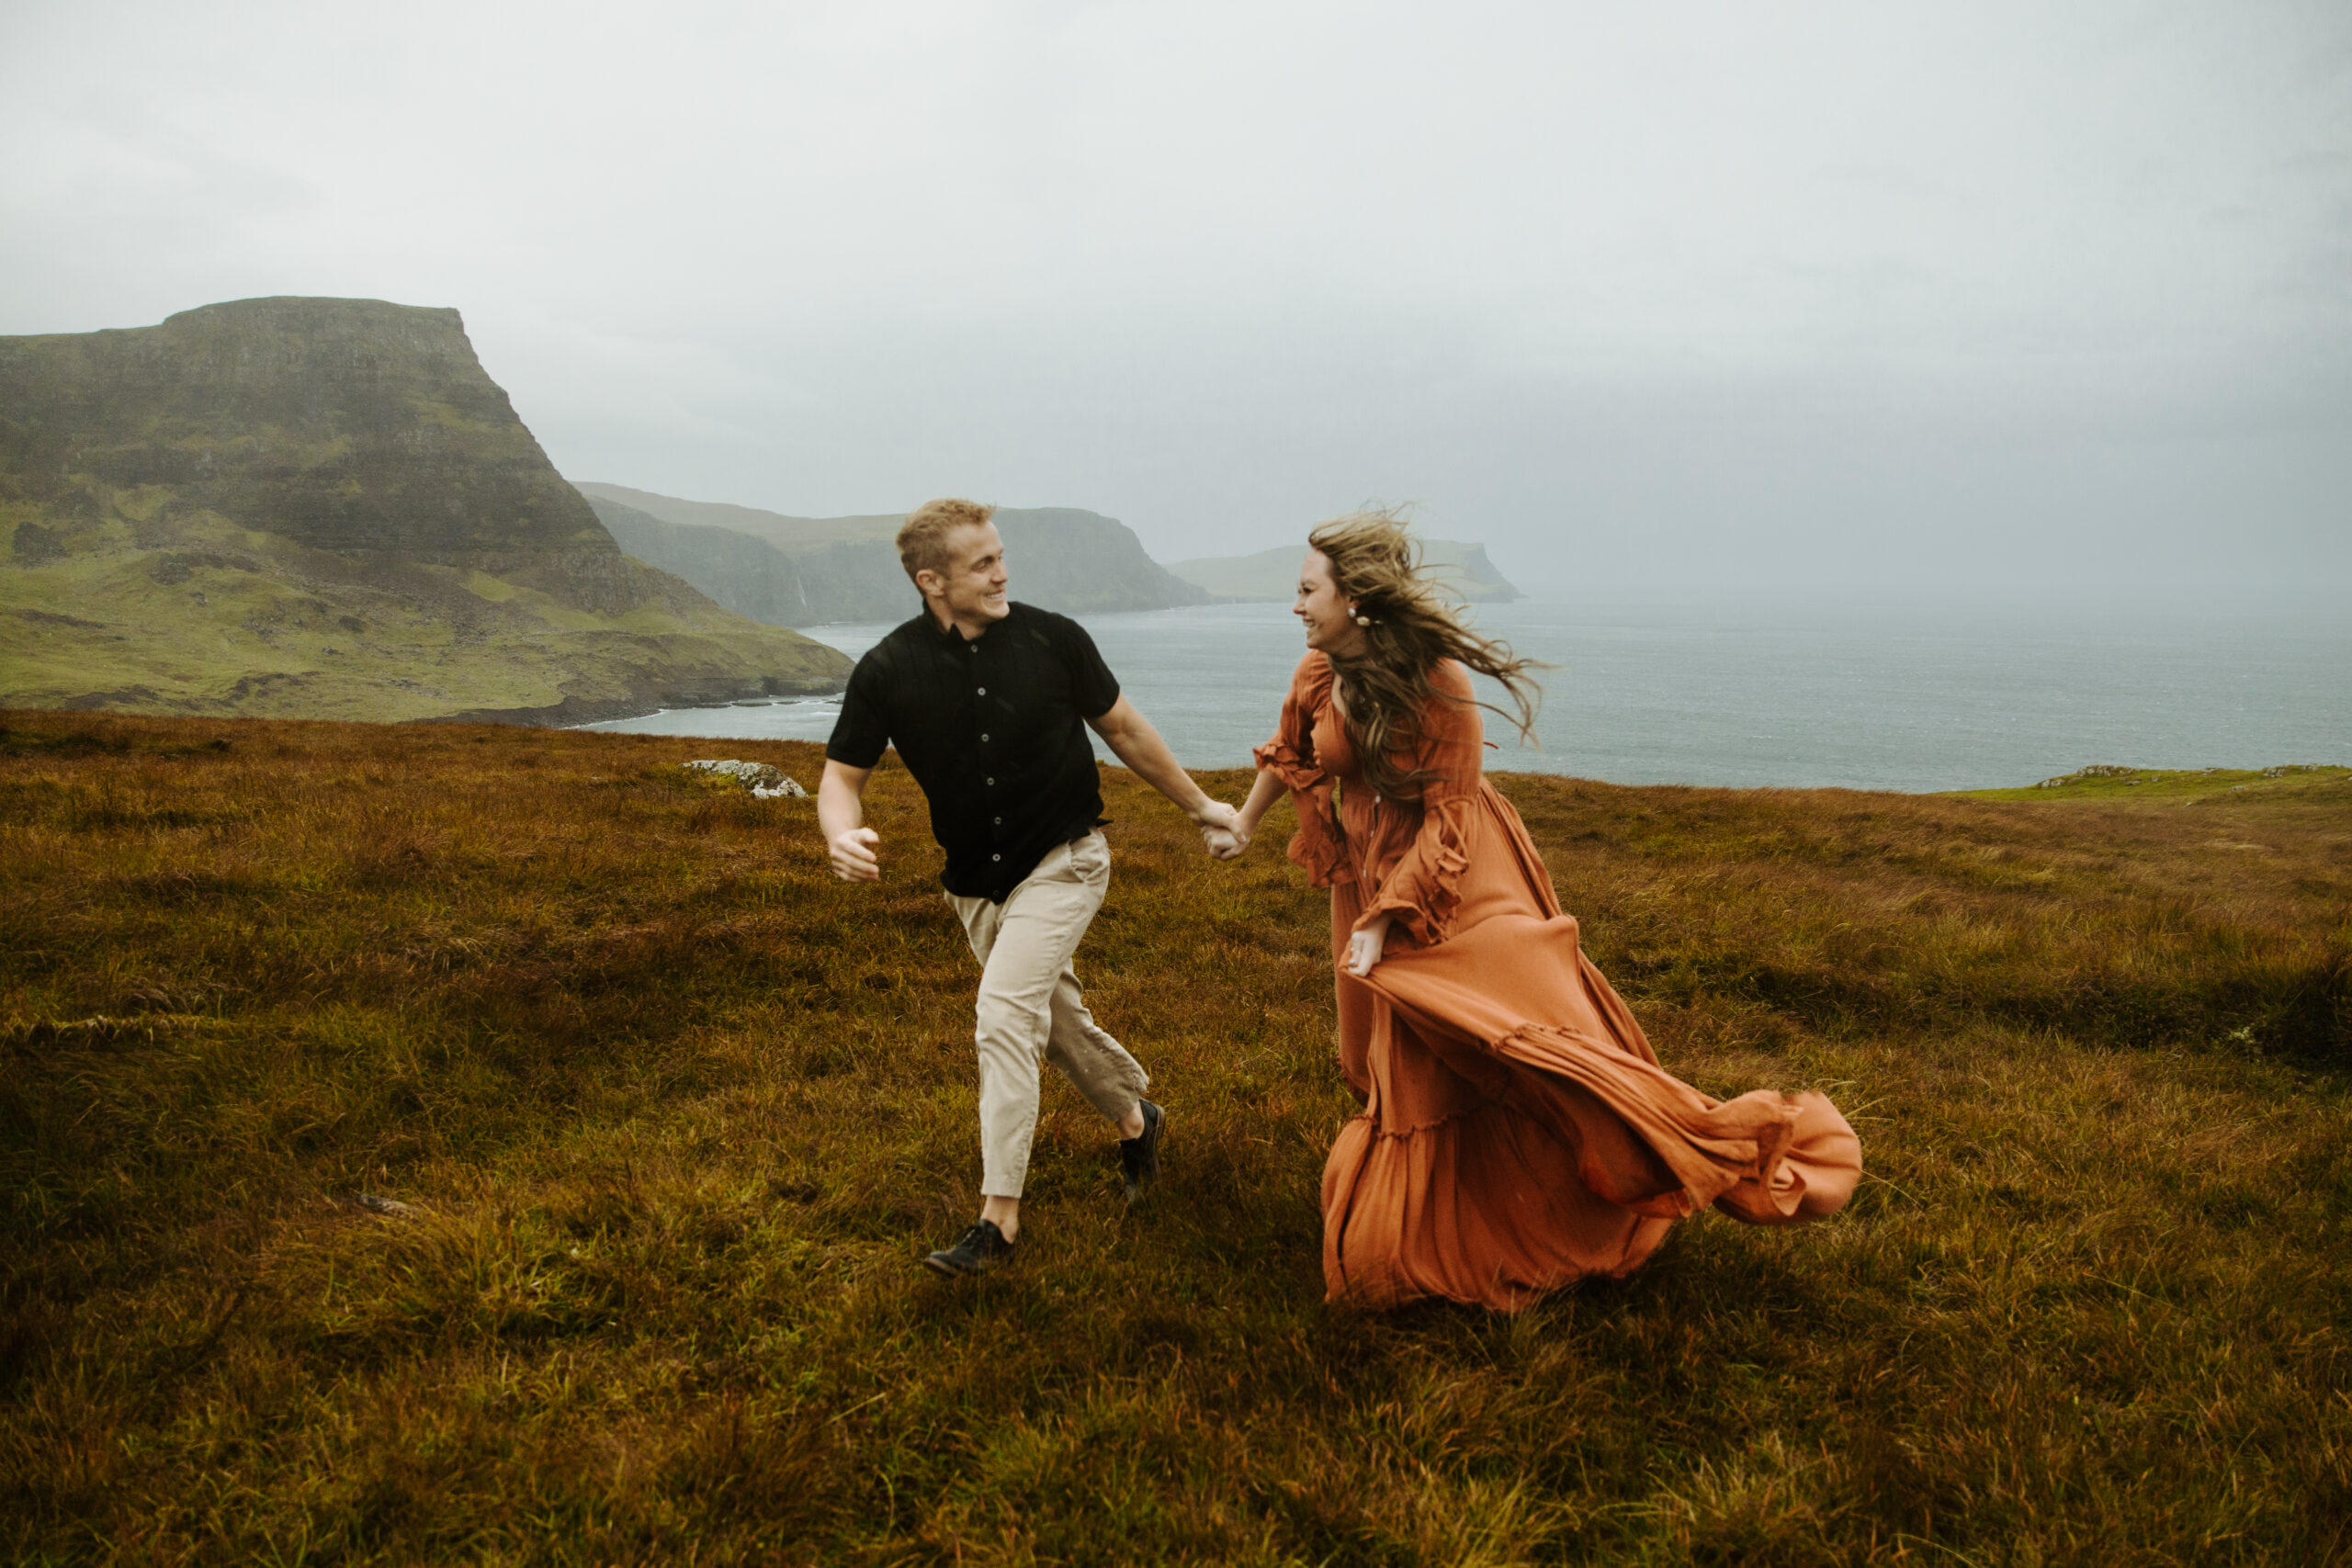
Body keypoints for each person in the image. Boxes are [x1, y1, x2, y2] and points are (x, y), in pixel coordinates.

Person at [1218, 512, 1861, 1311]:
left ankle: (1478, 1237)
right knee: (1365, 1058)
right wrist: (1245, 822)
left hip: (1453, 881)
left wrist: (1387, 920)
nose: (1296, 606)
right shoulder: (1319, 671)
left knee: (1477, 1048)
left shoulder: (1440, 685)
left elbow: (1450, 819)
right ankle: (1478, 1207)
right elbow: (1297, 753)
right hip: (1367, 870)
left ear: (1357, 597)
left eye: (1307, 589)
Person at [819, 497, 1240, 1278]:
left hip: (1067, 857)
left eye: (1000, 554)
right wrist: (839, 832)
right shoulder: (886, 668)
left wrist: (1203, 806)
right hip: (975, 885)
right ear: (931, 579)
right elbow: (841, 779)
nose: (1002, 571)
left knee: (1003, 1013)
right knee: (1053, 1020)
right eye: (982, 564)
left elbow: (1125, 731)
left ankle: (998, 1221)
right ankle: (1133, 1117)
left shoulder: (1054, 640)